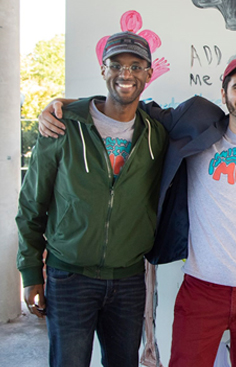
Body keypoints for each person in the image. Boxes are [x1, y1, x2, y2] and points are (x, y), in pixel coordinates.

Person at [39, 56, 236, 367]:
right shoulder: (196, 127)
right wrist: (66, 104)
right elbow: (131, 106)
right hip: (202, 288)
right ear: (224, 93)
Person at [16, 31, 168, 367]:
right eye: (116, 65)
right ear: (103, 70)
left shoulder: (157, 132)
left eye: (136, 66)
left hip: (128, 280)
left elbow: (204, 116)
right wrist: (30, 272)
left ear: (148, 73)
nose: (125, 74)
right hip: (69, 277)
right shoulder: (63, 126)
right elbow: (31, 204)